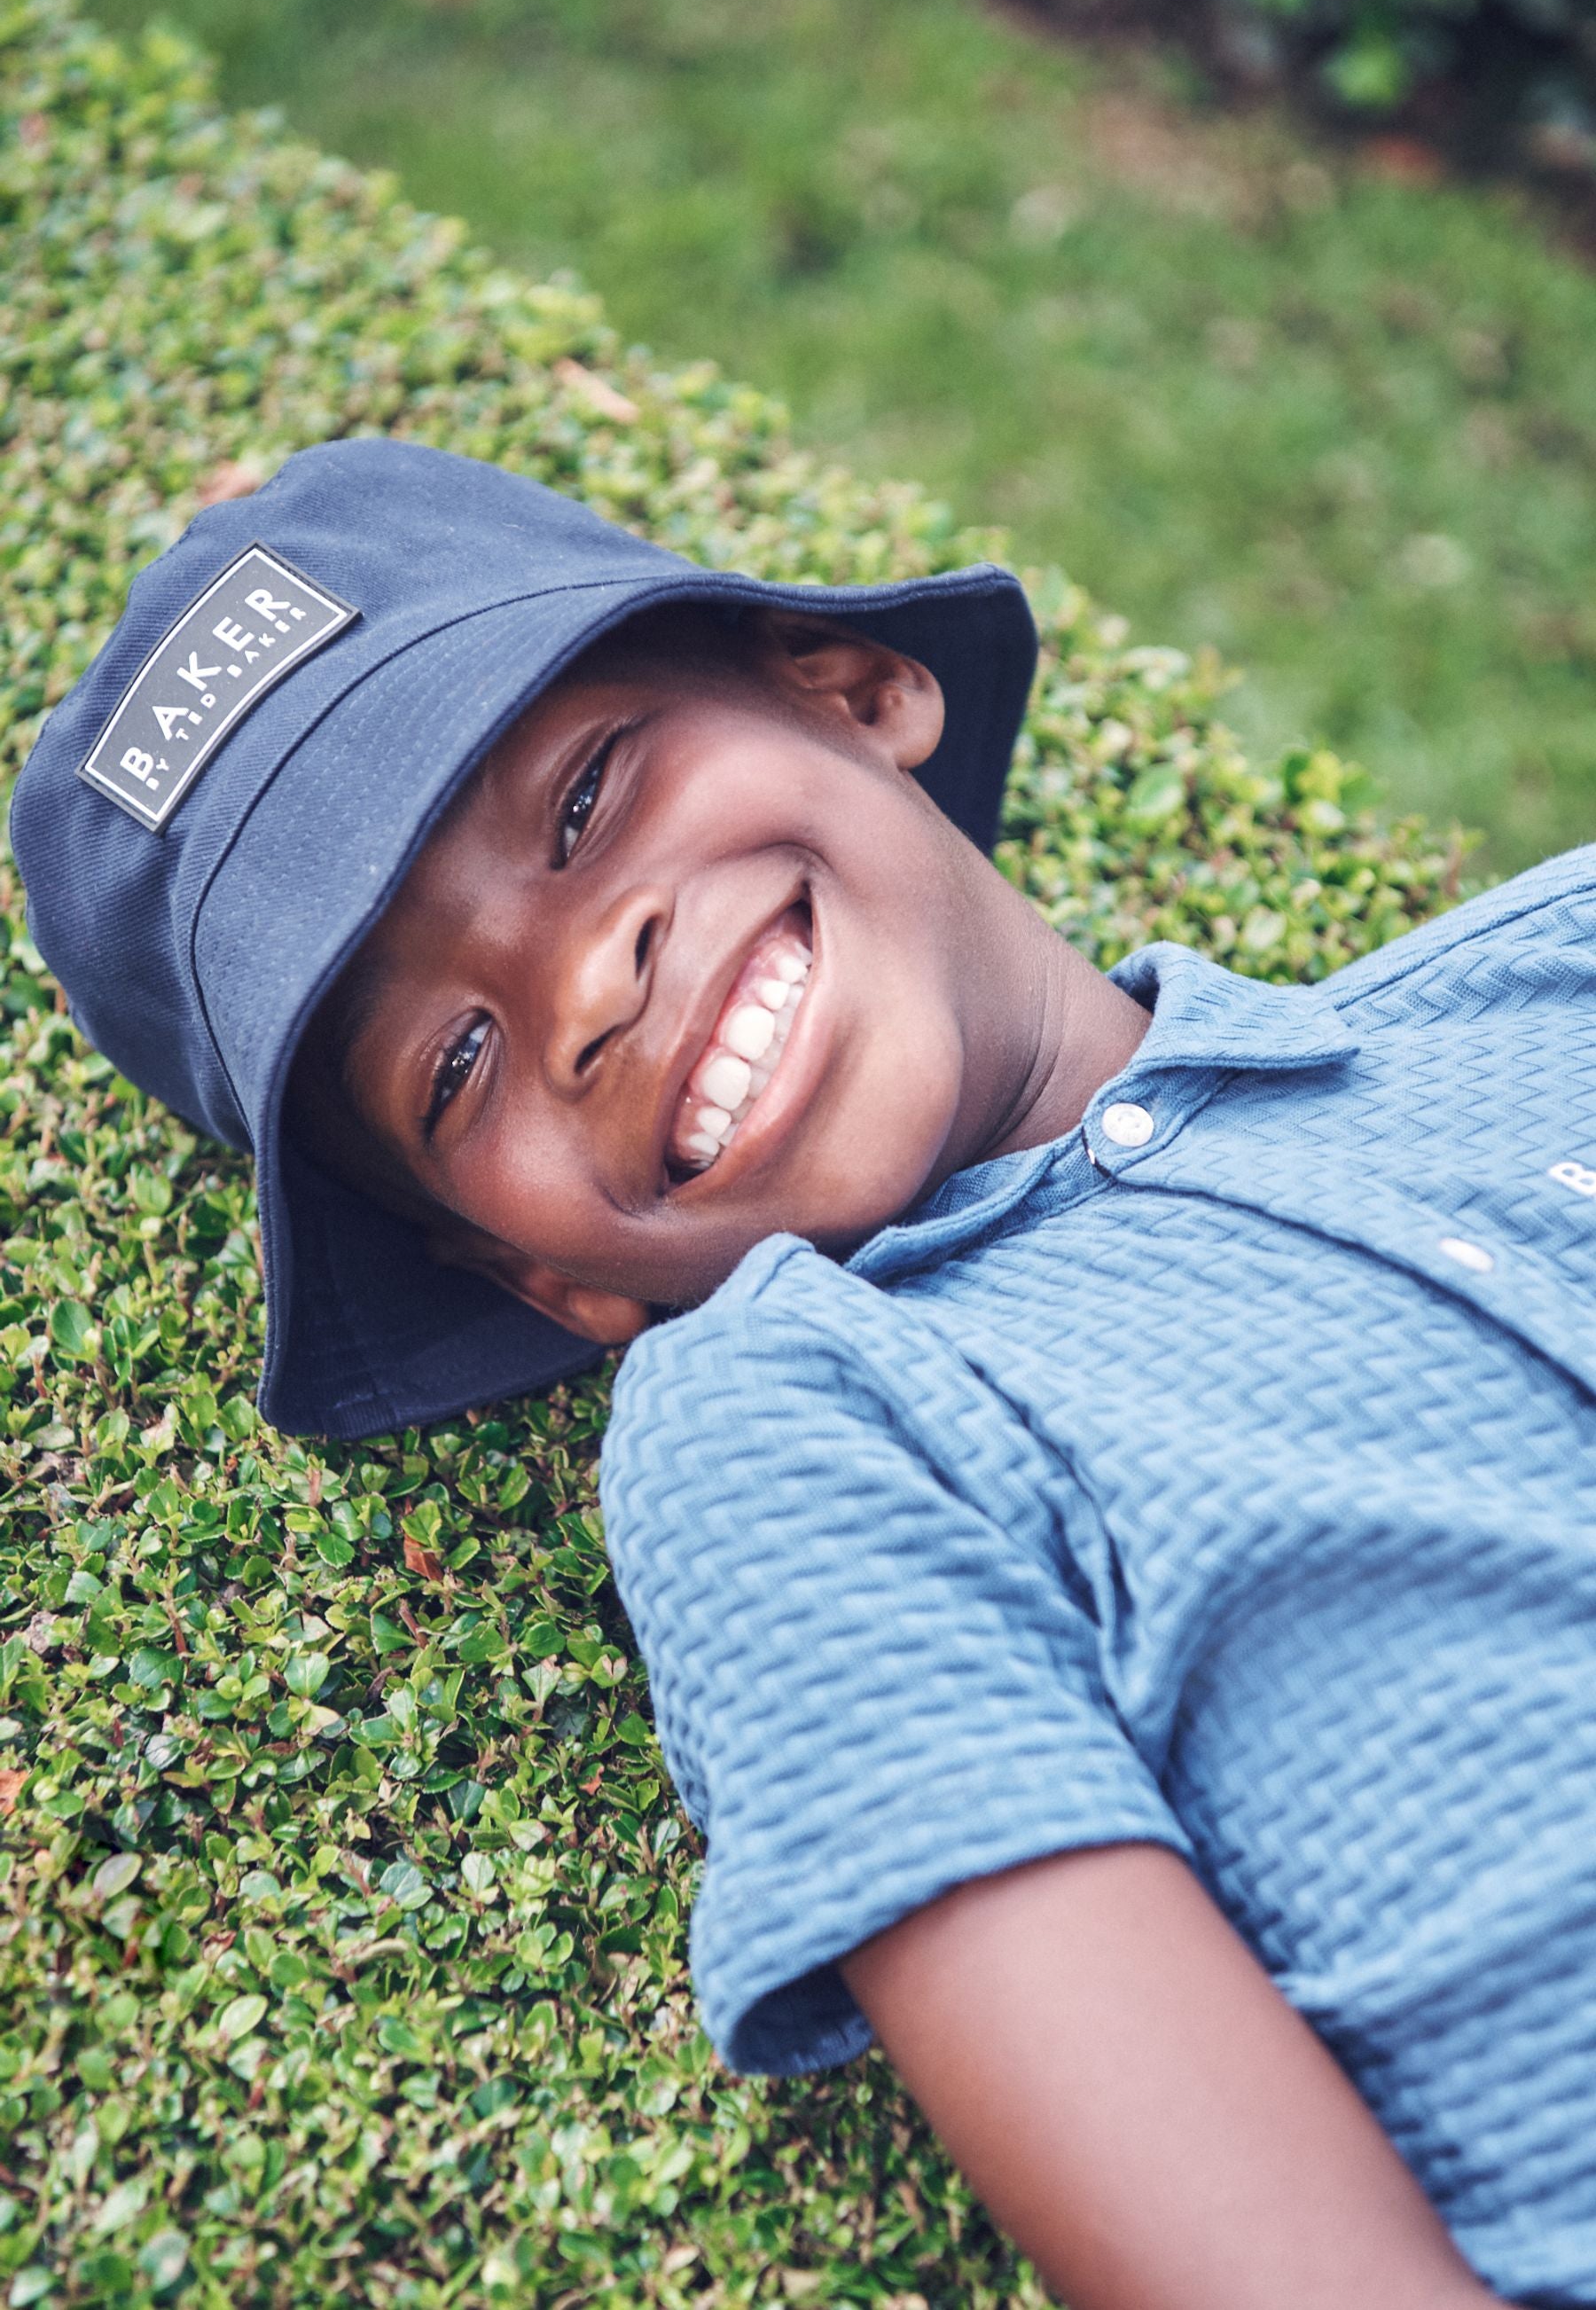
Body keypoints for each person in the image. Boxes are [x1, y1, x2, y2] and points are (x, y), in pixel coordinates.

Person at [12, 438, 1595, 2310]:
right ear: (544, 1279)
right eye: (452, 1068)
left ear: (855, 691)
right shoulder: (792, 1417)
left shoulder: (1551, 971)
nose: (583, 984)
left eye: (586, 795)